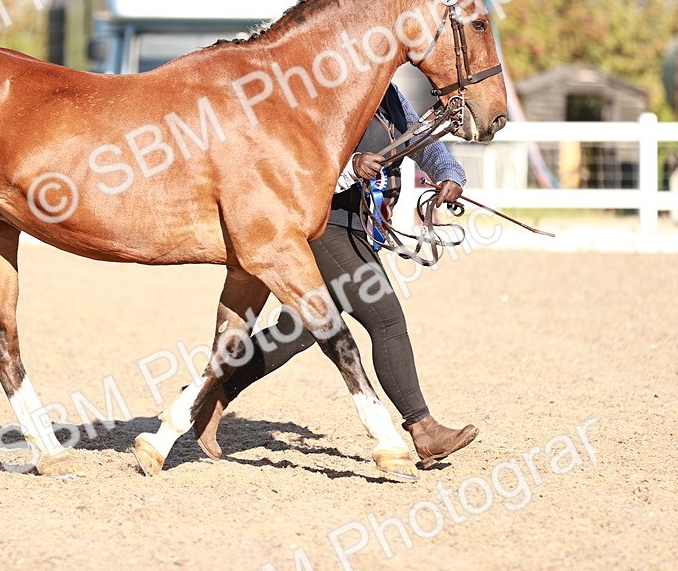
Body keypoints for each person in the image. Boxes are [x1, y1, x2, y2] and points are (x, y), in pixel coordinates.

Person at [194, 83, 478, 469]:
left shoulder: (389, 94)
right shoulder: (323, 89)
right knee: (386, 318)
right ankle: (422, 429)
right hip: (325, 226)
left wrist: (449, 173)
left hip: (359, 229)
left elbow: (422, 141)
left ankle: (205, 397)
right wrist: (351, 165)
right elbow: (298, 155)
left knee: (298, 332)